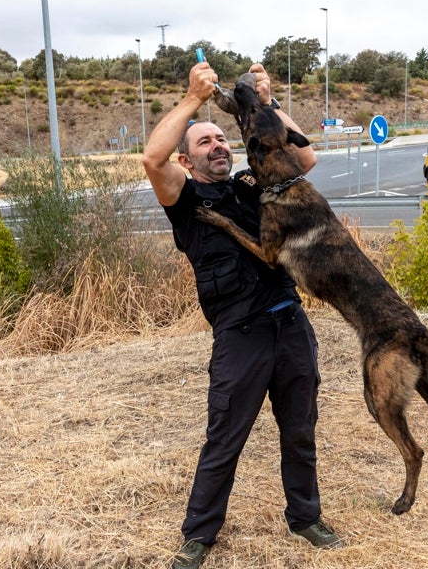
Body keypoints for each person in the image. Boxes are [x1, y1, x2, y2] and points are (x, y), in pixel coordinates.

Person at [141, 62, 344, 569]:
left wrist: (269, 101)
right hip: (241, 337)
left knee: (300, 429)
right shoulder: (184, 200)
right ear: (187, 161)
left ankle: (305, 518)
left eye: (220, 138)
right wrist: (192, 99)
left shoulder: (254, 184)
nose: (218, 145)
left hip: (290, 324)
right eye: (205, 142)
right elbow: (151, 156)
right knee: (224, 439)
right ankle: (199, 535)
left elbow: (307, 157)